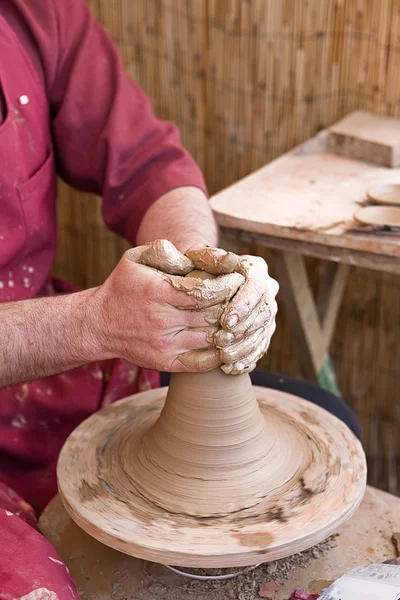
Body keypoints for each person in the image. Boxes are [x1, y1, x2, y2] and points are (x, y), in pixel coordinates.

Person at [0, 1, 360, 598]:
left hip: (50, 376)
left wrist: (197, 272)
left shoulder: (34, 14)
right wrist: (92, 322)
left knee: (329, 426)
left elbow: (150, 165)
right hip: (61, 335)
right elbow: (89, 324)